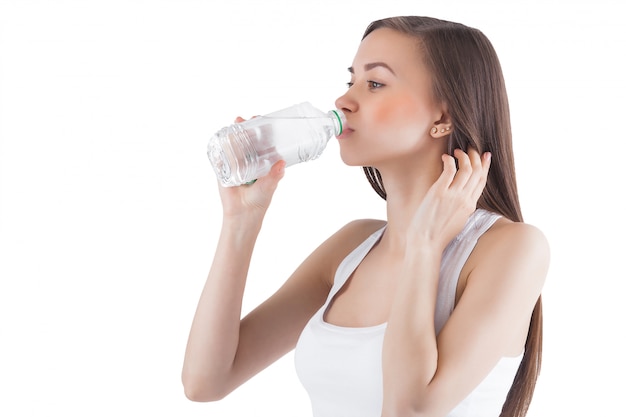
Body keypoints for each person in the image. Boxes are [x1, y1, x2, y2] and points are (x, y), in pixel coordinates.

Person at [181, 16, 550, 417]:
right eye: (350, 81)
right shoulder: (352, 245)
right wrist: (241, 221)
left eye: (375, 84)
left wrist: (425, 247)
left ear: (443, 117)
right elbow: (205, 381)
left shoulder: (513, 250)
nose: (344, 101)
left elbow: (408, 410)